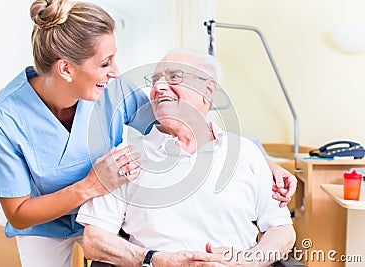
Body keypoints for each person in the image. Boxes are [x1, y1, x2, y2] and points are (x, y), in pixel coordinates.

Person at [0, 0, 294, 266]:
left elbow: (184, 125)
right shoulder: (7, 117)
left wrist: (263, 162)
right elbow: (20, 214)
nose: (117, 71)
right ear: (66, 69)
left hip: (104, 215)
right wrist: (90, 186)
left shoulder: (113, 90)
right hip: (44, 223)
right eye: (106, 62)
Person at [76, 49, 296, 267]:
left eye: (174, 78)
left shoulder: (246, 153)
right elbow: (94, 240)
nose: (158, 87)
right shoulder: (124, 158)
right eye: (155, 81)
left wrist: (250, 261)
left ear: (208, 90)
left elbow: (282, 230)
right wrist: (154, 259)